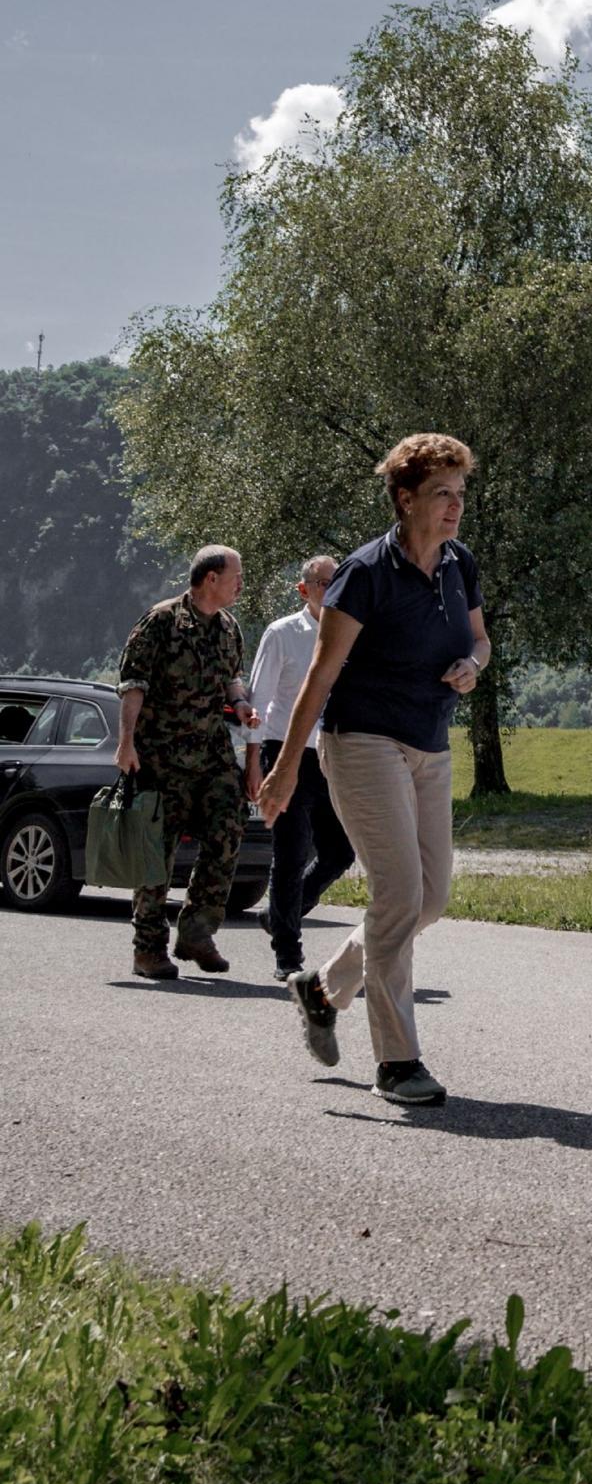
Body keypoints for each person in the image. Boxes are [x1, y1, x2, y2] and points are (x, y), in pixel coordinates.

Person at [260, 434, 489, 1108]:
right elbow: (320, 675)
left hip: (429, 744)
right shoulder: (365, 574)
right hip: (362, 742)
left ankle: (323, 989)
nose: (455, 508)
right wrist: (283, 772)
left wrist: (474, 665)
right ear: (405, 498)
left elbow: (479, 638)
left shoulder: (458, 564)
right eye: (442, 494)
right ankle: (397, 1062)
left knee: (431, 898)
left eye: (461, 494)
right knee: (398, 893)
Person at [113, 546, 260, 980]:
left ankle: (197, 931)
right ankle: (148, 950)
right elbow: (133, 685)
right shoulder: (161, 621)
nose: (241, 584)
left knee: (229, 830)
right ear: (210, 578)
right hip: (161, 756)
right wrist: (126, 744)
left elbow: (232, 680)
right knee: (156, 853)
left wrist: (242, 705)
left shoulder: (229, 628)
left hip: (212, 753)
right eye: (236, 575)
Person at [243, 554, 355, 980]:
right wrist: (255, 762)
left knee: (341, 850)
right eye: (323, 582)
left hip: (331, 753)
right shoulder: (282, 633)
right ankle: (287, 954)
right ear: (304, 589)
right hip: (285, 751)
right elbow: (258, 700)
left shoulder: (349, 633)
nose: (331, 589)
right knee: (290, 854)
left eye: (337, 581)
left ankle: (279, 914)